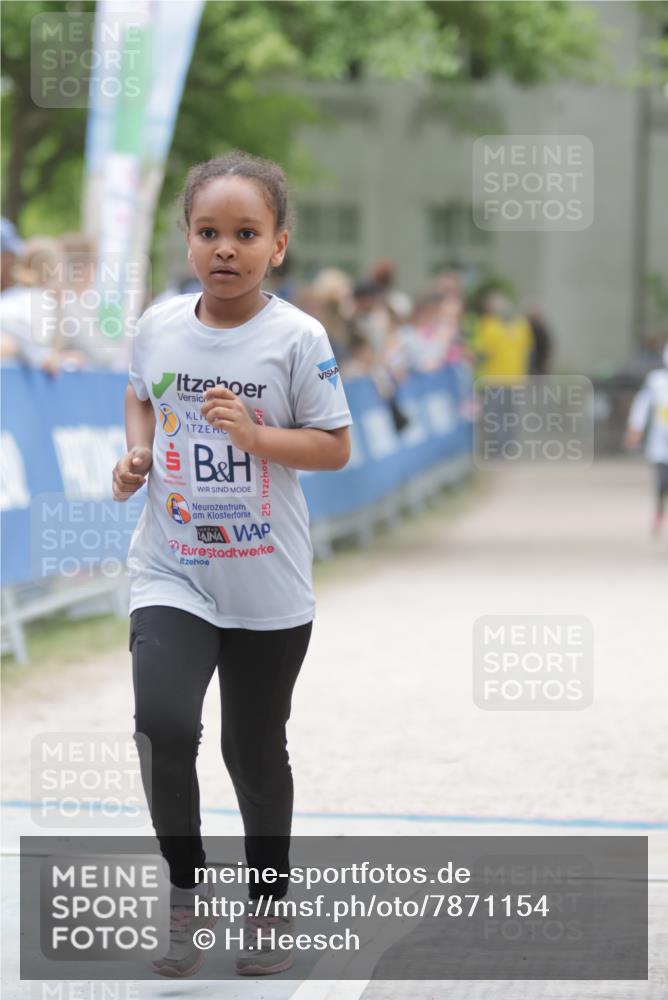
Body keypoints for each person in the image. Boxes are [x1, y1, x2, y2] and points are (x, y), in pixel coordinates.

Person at [112, 150, 352, 979]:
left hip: (265, 583)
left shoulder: (297, 337)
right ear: (186, 241)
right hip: (171, 568)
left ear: (277, 244)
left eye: (245, 233)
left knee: (252, 752)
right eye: (208, 232)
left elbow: (334, 446)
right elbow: (142, 390)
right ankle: (186, 896)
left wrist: (253, 438)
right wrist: (138, 454)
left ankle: (270, 906)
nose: (225, 249)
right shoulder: (159, 326)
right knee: (164, 729)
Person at [625, 343, 668, 537]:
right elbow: (642, 406)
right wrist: (635, 430)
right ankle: (659, 512)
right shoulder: (656, 381)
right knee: (662, 482)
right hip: (661, 444)